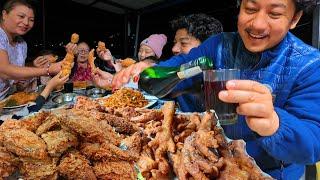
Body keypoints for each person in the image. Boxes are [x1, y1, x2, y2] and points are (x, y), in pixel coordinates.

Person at [112, 0, 320, 179]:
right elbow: (181, 67)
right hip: (211, 165)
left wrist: (276, 124)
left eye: (274, 13)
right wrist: (153, 70)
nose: (257, 24)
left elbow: (313, 144)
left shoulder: (309, 65)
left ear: (294, 18)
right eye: (250, 9)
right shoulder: (218, 46)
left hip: (270, 173)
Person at [0, 0, 61, 100]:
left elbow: (17, 79)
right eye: (21, 16)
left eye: (31, 20)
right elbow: (4, 71)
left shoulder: (22, 44)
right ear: (4, 14)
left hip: (7, 100)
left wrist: (34, 68)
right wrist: (47, 70)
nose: (26, 23)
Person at [93, 34, 167, 88]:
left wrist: (120, 71)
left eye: (147, 52)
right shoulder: (134, 64)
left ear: (156, 56)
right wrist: (110, 60)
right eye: (140, 51)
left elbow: (143, 83)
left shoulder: (159, 70)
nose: (142, 55)